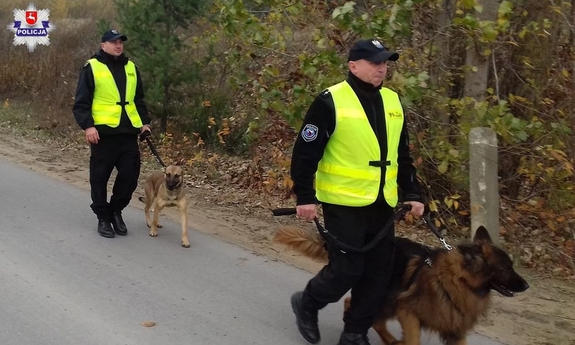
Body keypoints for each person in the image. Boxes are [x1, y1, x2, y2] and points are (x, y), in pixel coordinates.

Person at [289, 39, 426, 345]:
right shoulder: (330, 101)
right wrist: (305, 196)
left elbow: (402, 155)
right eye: (376, 63)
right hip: (343, 203)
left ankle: (354, 332)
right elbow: (305, 153)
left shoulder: (393, 102)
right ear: (353, 65)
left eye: (386, 63)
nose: (382, 69)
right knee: (347, 270)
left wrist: (413, 193)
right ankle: (308, 302)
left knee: (378, 274)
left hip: (383, 203)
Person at [73, 29, 151, 239]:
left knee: (129, 177)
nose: (118, 45)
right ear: (103, 45)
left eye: (120, 42)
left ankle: (116, 211)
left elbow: (139, 100)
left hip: (128, 134)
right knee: (99, 179)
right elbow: (81, 103)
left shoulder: (132, 68)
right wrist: (88, 126)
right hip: (103, 135)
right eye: (113, 42)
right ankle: (102, 217)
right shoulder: (92, 67)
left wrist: (145, 123)